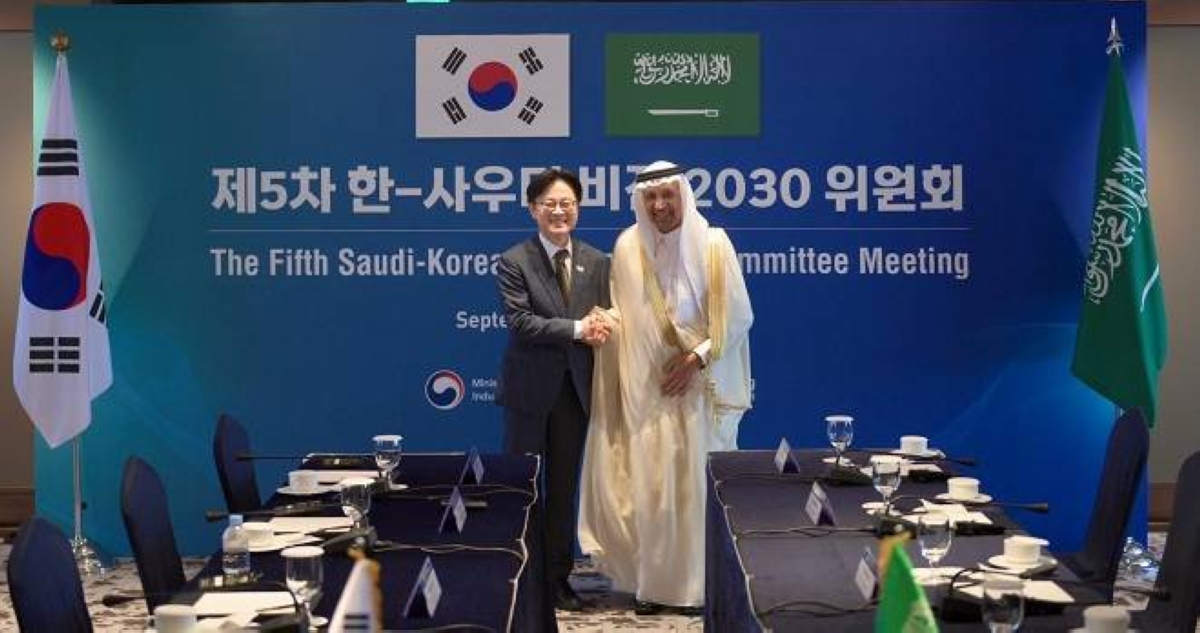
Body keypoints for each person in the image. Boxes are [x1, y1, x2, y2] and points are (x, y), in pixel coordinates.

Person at [578, 160, 753, 614]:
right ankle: (651, 588)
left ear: (683, 196)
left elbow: (738, 317)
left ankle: (697, 588)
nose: (659, 205)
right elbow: (626, 314)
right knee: (651, 490)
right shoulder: (627, 246)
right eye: (650, 197)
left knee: (694, 489)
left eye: (667, 195)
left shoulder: (714, 245)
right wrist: (606, 322)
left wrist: (696, 359)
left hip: (698, 386)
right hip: (649, 389)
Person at [496, 168, 611, 612]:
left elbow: (606, 313)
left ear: (577, 208)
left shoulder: (596, 261)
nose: (559, 212)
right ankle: (519, 577)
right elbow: (521, 322)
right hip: (529, 393)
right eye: (550, 204)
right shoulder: (514, 260)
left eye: (568, 204)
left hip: (574, 392)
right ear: (533, 209)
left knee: (563, 491)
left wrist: (604, 325)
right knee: (525, 487)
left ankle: (558, 579)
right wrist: (580, 328)